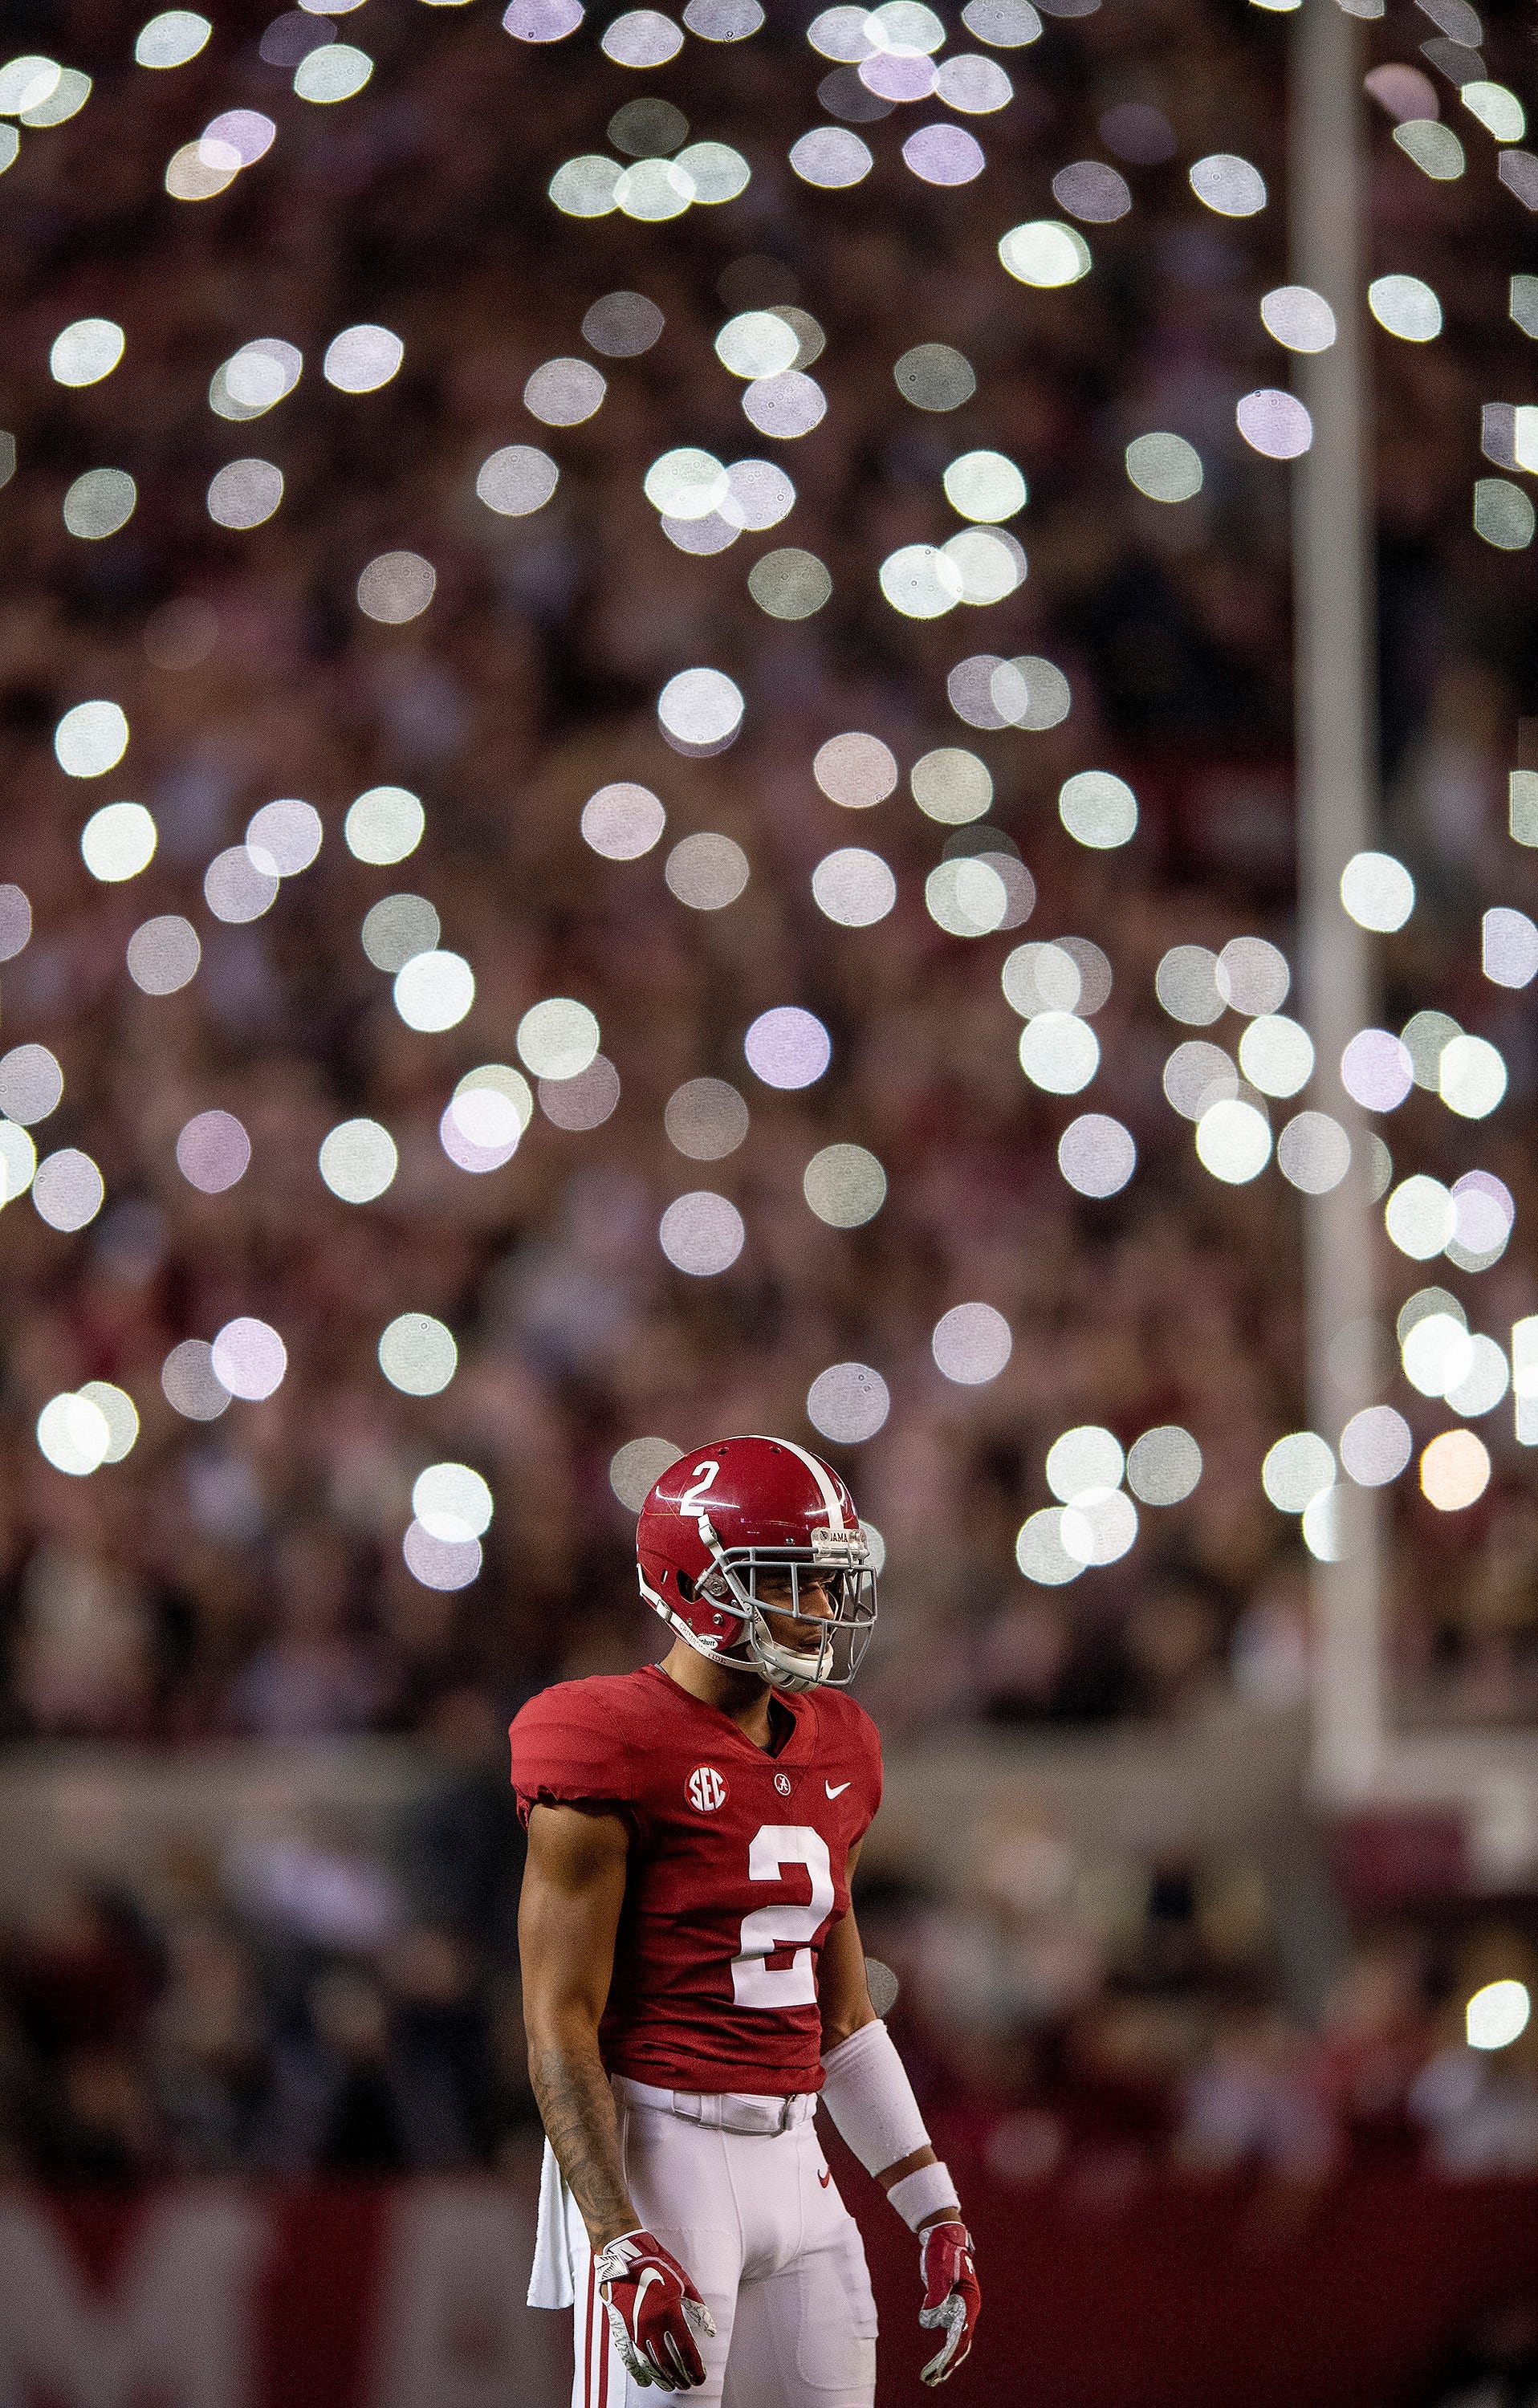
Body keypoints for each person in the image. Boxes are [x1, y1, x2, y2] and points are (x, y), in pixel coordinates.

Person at [511, 1435, 981, 2403]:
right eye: (792, 1580)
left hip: (798, 2161)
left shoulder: (840, 1745)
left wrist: (934, 2209)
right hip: (663, 2154)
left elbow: (843, 2018)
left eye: (828, 1582)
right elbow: (559, 2019)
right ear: (696, 1584)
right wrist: (613, 2234)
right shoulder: (606, 1739)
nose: (821, 1611)